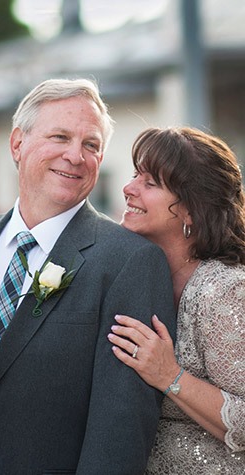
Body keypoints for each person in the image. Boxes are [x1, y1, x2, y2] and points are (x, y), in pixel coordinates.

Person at [0, 79, 176, 474]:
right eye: (60, 136)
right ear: (17, 144)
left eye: (91, 145)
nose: (76, 156)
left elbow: (121, 429)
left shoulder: (130, 262)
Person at [108, 126, 245, 474]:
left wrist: (169, 374)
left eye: (150, 183)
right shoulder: (134, 276)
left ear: (190, 211)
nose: (128, 189)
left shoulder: (224, 290)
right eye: (135, 175)